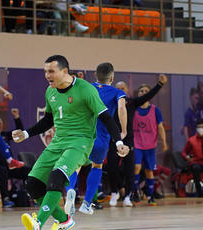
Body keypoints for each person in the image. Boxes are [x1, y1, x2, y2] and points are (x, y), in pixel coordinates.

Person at [12, 55, 128, 230]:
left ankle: (38, 222)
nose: (47, 75)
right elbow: (48, 120)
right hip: (58, 143)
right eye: (45, 71)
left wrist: (118, 142)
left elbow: (106, 117)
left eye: (51, 71)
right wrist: (26, 133)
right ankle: (65, 221)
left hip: (80, 142)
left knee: (56, 178)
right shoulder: (50, 91)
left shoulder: (86, 89)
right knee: (33, 185)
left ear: (64, 71)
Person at [64, 62, 127, 215]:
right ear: (111, 78)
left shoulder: (86, 87)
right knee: (96, 166)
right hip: (102, 137)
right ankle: (86, 203)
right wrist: (123, 131)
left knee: (75, 166)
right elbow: (121, 108)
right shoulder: (117, 92)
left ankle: (70, 194)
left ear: (95, 76)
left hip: (82, 135)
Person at [108, 75, 167, 207]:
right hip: (114, 138)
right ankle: (114, 192)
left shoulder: (132, 102)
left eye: (123, 88)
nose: (121, 90)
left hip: (128, 140)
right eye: (118, 88)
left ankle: (128, 196)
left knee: (130, 168)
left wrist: (160, 84)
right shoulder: (111, 102)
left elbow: (147, 96)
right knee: (112, 167)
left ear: (127, 90)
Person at [0, 105, 31, 208]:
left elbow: (19, 131)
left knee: (27, 171)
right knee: (2, 170)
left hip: (8, 167)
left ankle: (30, 196)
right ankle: (5, 199)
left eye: (0, 123)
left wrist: (16, 117)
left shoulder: (5, 135)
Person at [132, 83, 168, 206]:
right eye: (141, 91)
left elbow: (160, 127)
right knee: (136, 167)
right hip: (136, 144)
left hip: (150, 145)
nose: (144, 92)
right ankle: (135, 193)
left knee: (149, 171)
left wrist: (164, 142)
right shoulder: (134, 108)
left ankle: (150, 195)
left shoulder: (155, 110)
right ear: (138, 94)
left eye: (146, 90)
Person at [181, 119, 203, 197]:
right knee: (196, 168)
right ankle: (200, 192)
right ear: (196, 129)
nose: (201, 129)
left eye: (202, 127)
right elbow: (183, 152)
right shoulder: (191, 140)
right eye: (199, 127)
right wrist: (186, 157)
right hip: (196, 163)